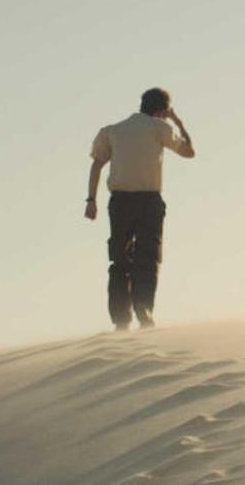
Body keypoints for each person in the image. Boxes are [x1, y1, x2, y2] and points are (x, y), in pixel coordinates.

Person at [84, 88, 195, 331]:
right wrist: (178, 122)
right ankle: (144, 311)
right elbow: (189, 152)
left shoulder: (113, 130)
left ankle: (121, 320)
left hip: (120, 201)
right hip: (148, 201)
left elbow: (97, 165)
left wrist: (90, 200)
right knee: (148, 258)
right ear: (162, 111)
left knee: (119, 260)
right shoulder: (160, 128)